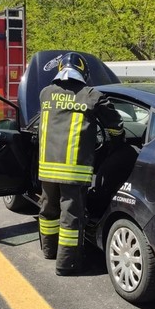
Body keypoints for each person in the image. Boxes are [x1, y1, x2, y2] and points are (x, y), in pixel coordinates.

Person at [37, 52, 124, 276]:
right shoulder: (92, 95)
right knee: (70, 217)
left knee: (48, 210)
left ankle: (49, 251)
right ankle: (67, 264)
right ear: (83, 73)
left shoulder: (45, 93)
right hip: (74, 170)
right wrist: (117, 141)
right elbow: (114, 125)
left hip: (47, 168)